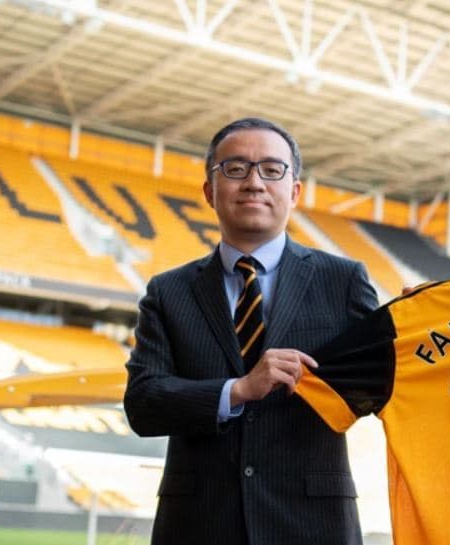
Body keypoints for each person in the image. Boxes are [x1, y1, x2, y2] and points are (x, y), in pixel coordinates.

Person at [124, 117, 377, 545]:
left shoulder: (344, 280)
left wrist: (413, 324)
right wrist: (237, 390)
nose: (254, 183)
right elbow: (142, 403)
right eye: (236, 169)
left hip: (313, 526)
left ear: (294, 191)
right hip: (198, 527)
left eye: (272, 170)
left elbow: (380, 383)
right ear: (210, 191)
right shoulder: (168, 291)